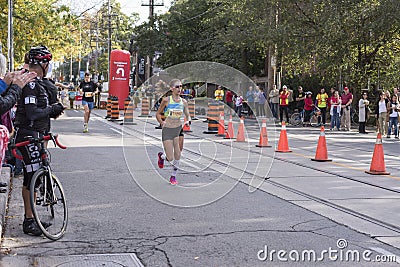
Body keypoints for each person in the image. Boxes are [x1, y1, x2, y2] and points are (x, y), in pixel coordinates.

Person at [14, 45, 65, 236]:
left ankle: (32, 217)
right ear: (42, 63)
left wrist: (54, 108)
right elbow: (32, 112)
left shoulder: (39, 83)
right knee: (31, 178)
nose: (49, 66)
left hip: (38, 135)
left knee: (34, 177)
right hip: (28, 135)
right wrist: (51, 109)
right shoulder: (31, 83)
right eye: (48, 63)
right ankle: (29, 220)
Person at [156, 79, 190, 185]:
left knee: (178, 153)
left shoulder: (184, 102)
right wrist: (161, 122)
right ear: (171, 88)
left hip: (178, 129)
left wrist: (188, 120)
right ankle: (161, 156)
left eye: (181, 86)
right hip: (168, 129)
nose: (180, 89)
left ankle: (173, 176)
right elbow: (158, 114)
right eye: (177, 87)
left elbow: (187, 114)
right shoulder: (166, 100)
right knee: (170, 158)